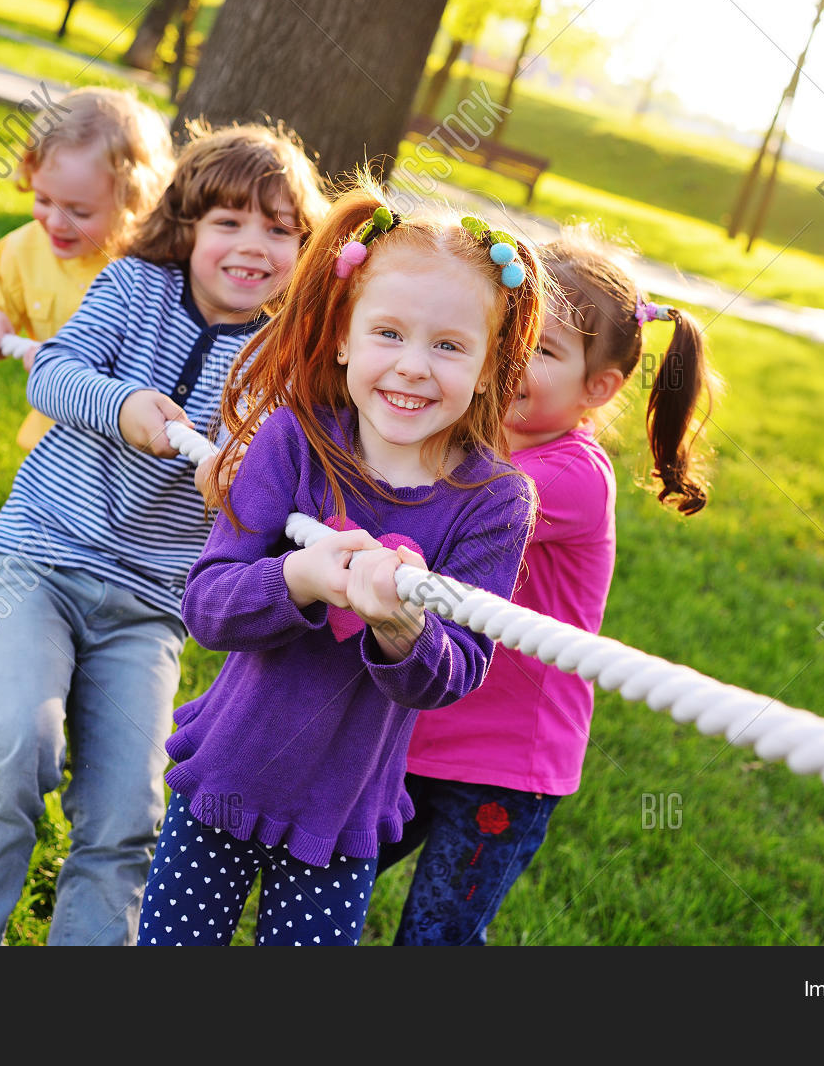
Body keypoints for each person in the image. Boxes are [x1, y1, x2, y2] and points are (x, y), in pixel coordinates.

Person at [0, 121, 330, 946]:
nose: (252, 247)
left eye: (279, 232)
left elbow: (276, 488)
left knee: (127, 814)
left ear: (305, 251)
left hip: (149, 605)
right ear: (187, 227)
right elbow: (59, 369)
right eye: (228, 223)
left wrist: (243, 484)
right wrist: (124, 406)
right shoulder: (134, 285)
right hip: (42, 557)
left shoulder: (286, 360)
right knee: (10, 752)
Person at [136, 181, 551, 946]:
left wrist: (400, 627)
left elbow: (453, 673)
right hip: (224, 780)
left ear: (493, 367)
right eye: (388, 334)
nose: (414, 367)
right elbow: (209, 607)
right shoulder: (293, 440)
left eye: (450, 346)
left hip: (343, 817)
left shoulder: (495, 500)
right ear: (343, 338)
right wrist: (302, 578)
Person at [381, 226, 718, 945]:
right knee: (324, 881)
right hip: (419, 726)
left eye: (544, 350)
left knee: (434, 938)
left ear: (599, 387)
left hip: (504, 765)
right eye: (510, 333)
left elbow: (436, 507)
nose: (512, 360)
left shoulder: (568, 477)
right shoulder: (477, 439)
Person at [0, 87, 174, 806]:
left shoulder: (155, 272)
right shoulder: (23, 251)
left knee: (98, 620)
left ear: (134, 202)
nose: (55, 220)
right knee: (19, 602)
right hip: (57, 478)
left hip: (139, 487)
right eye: (43, 200)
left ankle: (81, 744)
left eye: (79, 211)